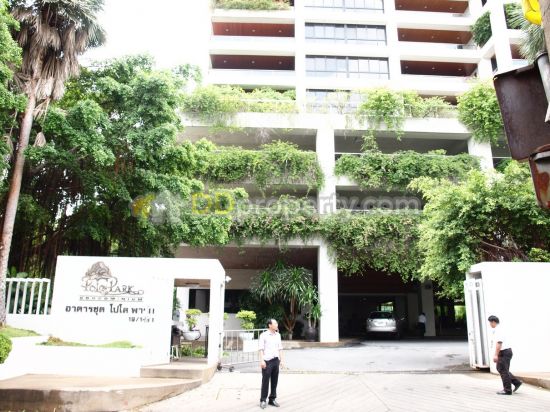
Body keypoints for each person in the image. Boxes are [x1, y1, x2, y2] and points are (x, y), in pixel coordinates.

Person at [488, 315, 522, 395]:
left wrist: (496, 355)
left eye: (490, 323)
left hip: (504, 352)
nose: (490, 324)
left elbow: (499, 343)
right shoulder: (499, 329)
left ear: (493, 322)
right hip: (506, 352)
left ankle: (507, 390)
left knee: (503, 370)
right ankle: (516, 382)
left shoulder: (498, 330)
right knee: (501, 369)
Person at [259, 319, 284, 409]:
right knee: (265, 381)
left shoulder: (278, 335)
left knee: (274, 381)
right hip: (267, 361)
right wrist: (262, 361)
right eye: (275, 323)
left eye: (277, 323)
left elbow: (280, 348)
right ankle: (263, 400)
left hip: (276, 360)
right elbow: (261, 349)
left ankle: (272, 399)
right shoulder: (263, 335)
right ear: (270, 325)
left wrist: (282, 360)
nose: (277, 324)